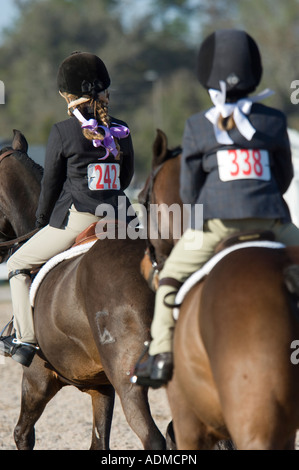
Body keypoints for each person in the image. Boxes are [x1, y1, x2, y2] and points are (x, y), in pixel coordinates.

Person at [131, 29, 299, 388]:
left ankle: (160, 354)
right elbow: (284, 178)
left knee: (171, 278)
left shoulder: (197, 126)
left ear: (207, 74)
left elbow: (190, 193)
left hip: (216, 227)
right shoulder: (272, 120)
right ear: (254, 71)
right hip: (272, 223)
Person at [0, 51, 134, 367]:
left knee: (17, 264)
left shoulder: (63, 131)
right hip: (123, 220)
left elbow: (51, 186)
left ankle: (24, 339)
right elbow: (125, 179)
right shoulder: (122, 129)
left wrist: (43, 219)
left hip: (82, 219)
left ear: (68, 94)